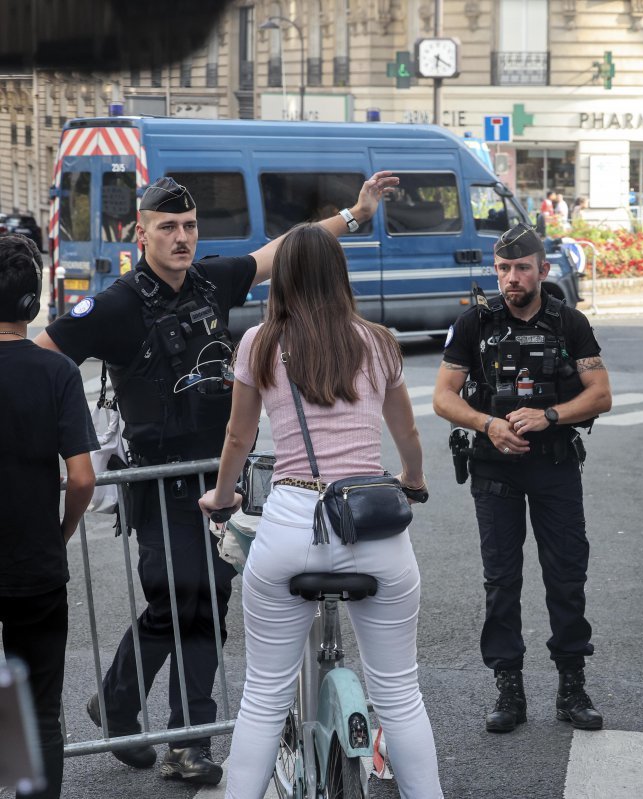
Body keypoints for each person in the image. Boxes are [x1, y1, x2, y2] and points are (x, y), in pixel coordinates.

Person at [34, 173, 397, 783]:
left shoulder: (211, 280)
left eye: (190, 226)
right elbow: (42, 360)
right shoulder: (116, 304)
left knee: (203, 600)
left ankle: (158, 723)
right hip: (158, 482)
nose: (182, 238)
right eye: (168, 228)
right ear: (139, 233)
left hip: (217, 480)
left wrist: (355, 217)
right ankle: (154, 720)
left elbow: (284, 248)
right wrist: (70, 441)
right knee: (181, 601)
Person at [197, 223, 442, 798]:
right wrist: (413, 480)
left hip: (291, 525)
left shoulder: (259, 342)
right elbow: (405, 429)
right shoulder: (378, 342)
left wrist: (224, 494)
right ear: (340, 275)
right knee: (401, 694)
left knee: (263, 695)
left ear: (281, 278)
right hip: (373, 527)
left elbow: (238, 436)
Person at [432, 223, 613, 734]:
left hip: (554, 463)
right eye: (504, 269)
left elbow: (600, 394)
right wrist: (488, 423)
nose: (512, 278)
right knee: (501, 581)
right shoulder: (474, 324)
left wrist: (549, 415)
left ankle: (571, 686)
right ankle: (508, 689)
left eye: (522, 268)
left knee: (566, 574)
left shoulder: (569, 322)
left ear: (543, 270)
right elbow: (443, 397)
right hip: (494, 467)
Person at [0, 234, 97, 799]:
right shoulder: (56, 373)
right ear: (32, 305)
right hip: (36, 561)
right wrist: (60, 531)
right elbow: (81, 477)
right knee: (40, 707)